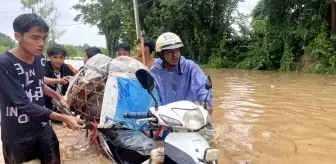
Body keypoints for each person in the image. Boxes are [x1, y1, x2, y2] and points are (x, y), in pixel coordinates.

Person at [0, 13, 84, 164]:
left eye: (44, 38)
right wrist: (64, 118)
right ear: (18, 36)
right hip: (17, 135)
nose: (41, 43)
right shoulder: (5, 63)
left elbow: (38, 84)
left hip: (43, 127)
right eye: (35, 37)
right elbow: (22, 103)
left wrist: (59, 97)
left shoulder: (39, 59)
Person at [150, 32, 213, 115]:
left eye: (177, 50)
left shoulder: (190, 67)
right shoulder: (154, 72)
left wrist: (206, 103)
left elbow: (202, 86)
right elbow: (150, 96)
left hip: (188, 115)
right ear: (161, 54)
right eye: (169, 52)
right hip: (164, 116)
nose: (175, 55)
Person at [44, 44, 78, 112]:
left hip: (64, 101)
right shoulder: (43, 67)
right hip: (46, 102)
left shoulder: (68, 68)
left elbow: (78, 76)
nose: (58, 60)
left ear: (64, 58)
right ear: (49, 57)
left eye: (61, 57)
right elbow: (40, 81)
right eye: (55, 57)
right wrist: (59, 81)